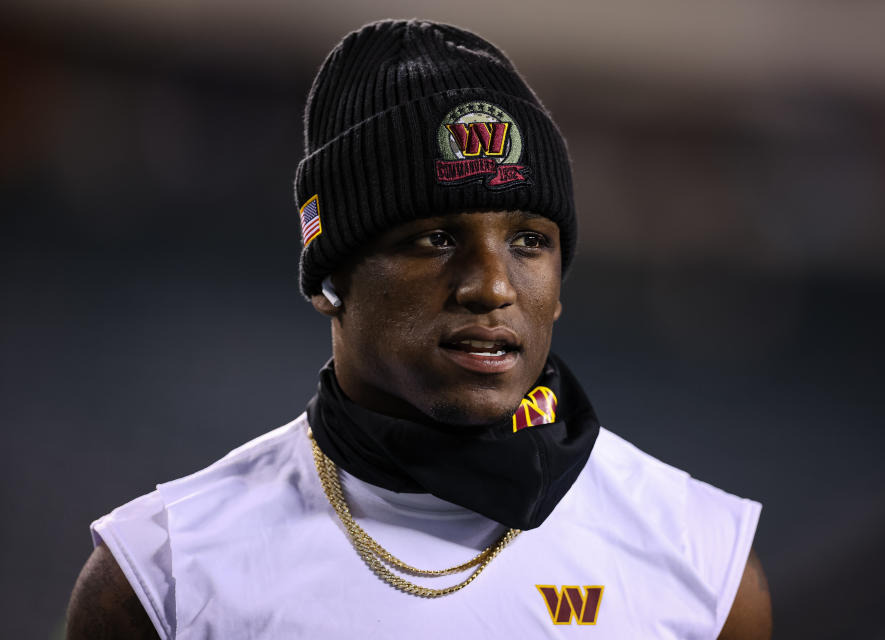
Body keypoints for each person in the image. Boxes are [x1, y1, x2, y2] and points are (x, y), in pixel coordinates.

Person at [66, 19, 772, 639]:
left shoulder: (704, 562)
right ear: (329, 280)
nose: (492, 286)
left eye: (529, 241)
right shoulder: (165, 575)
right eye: (434, 238)